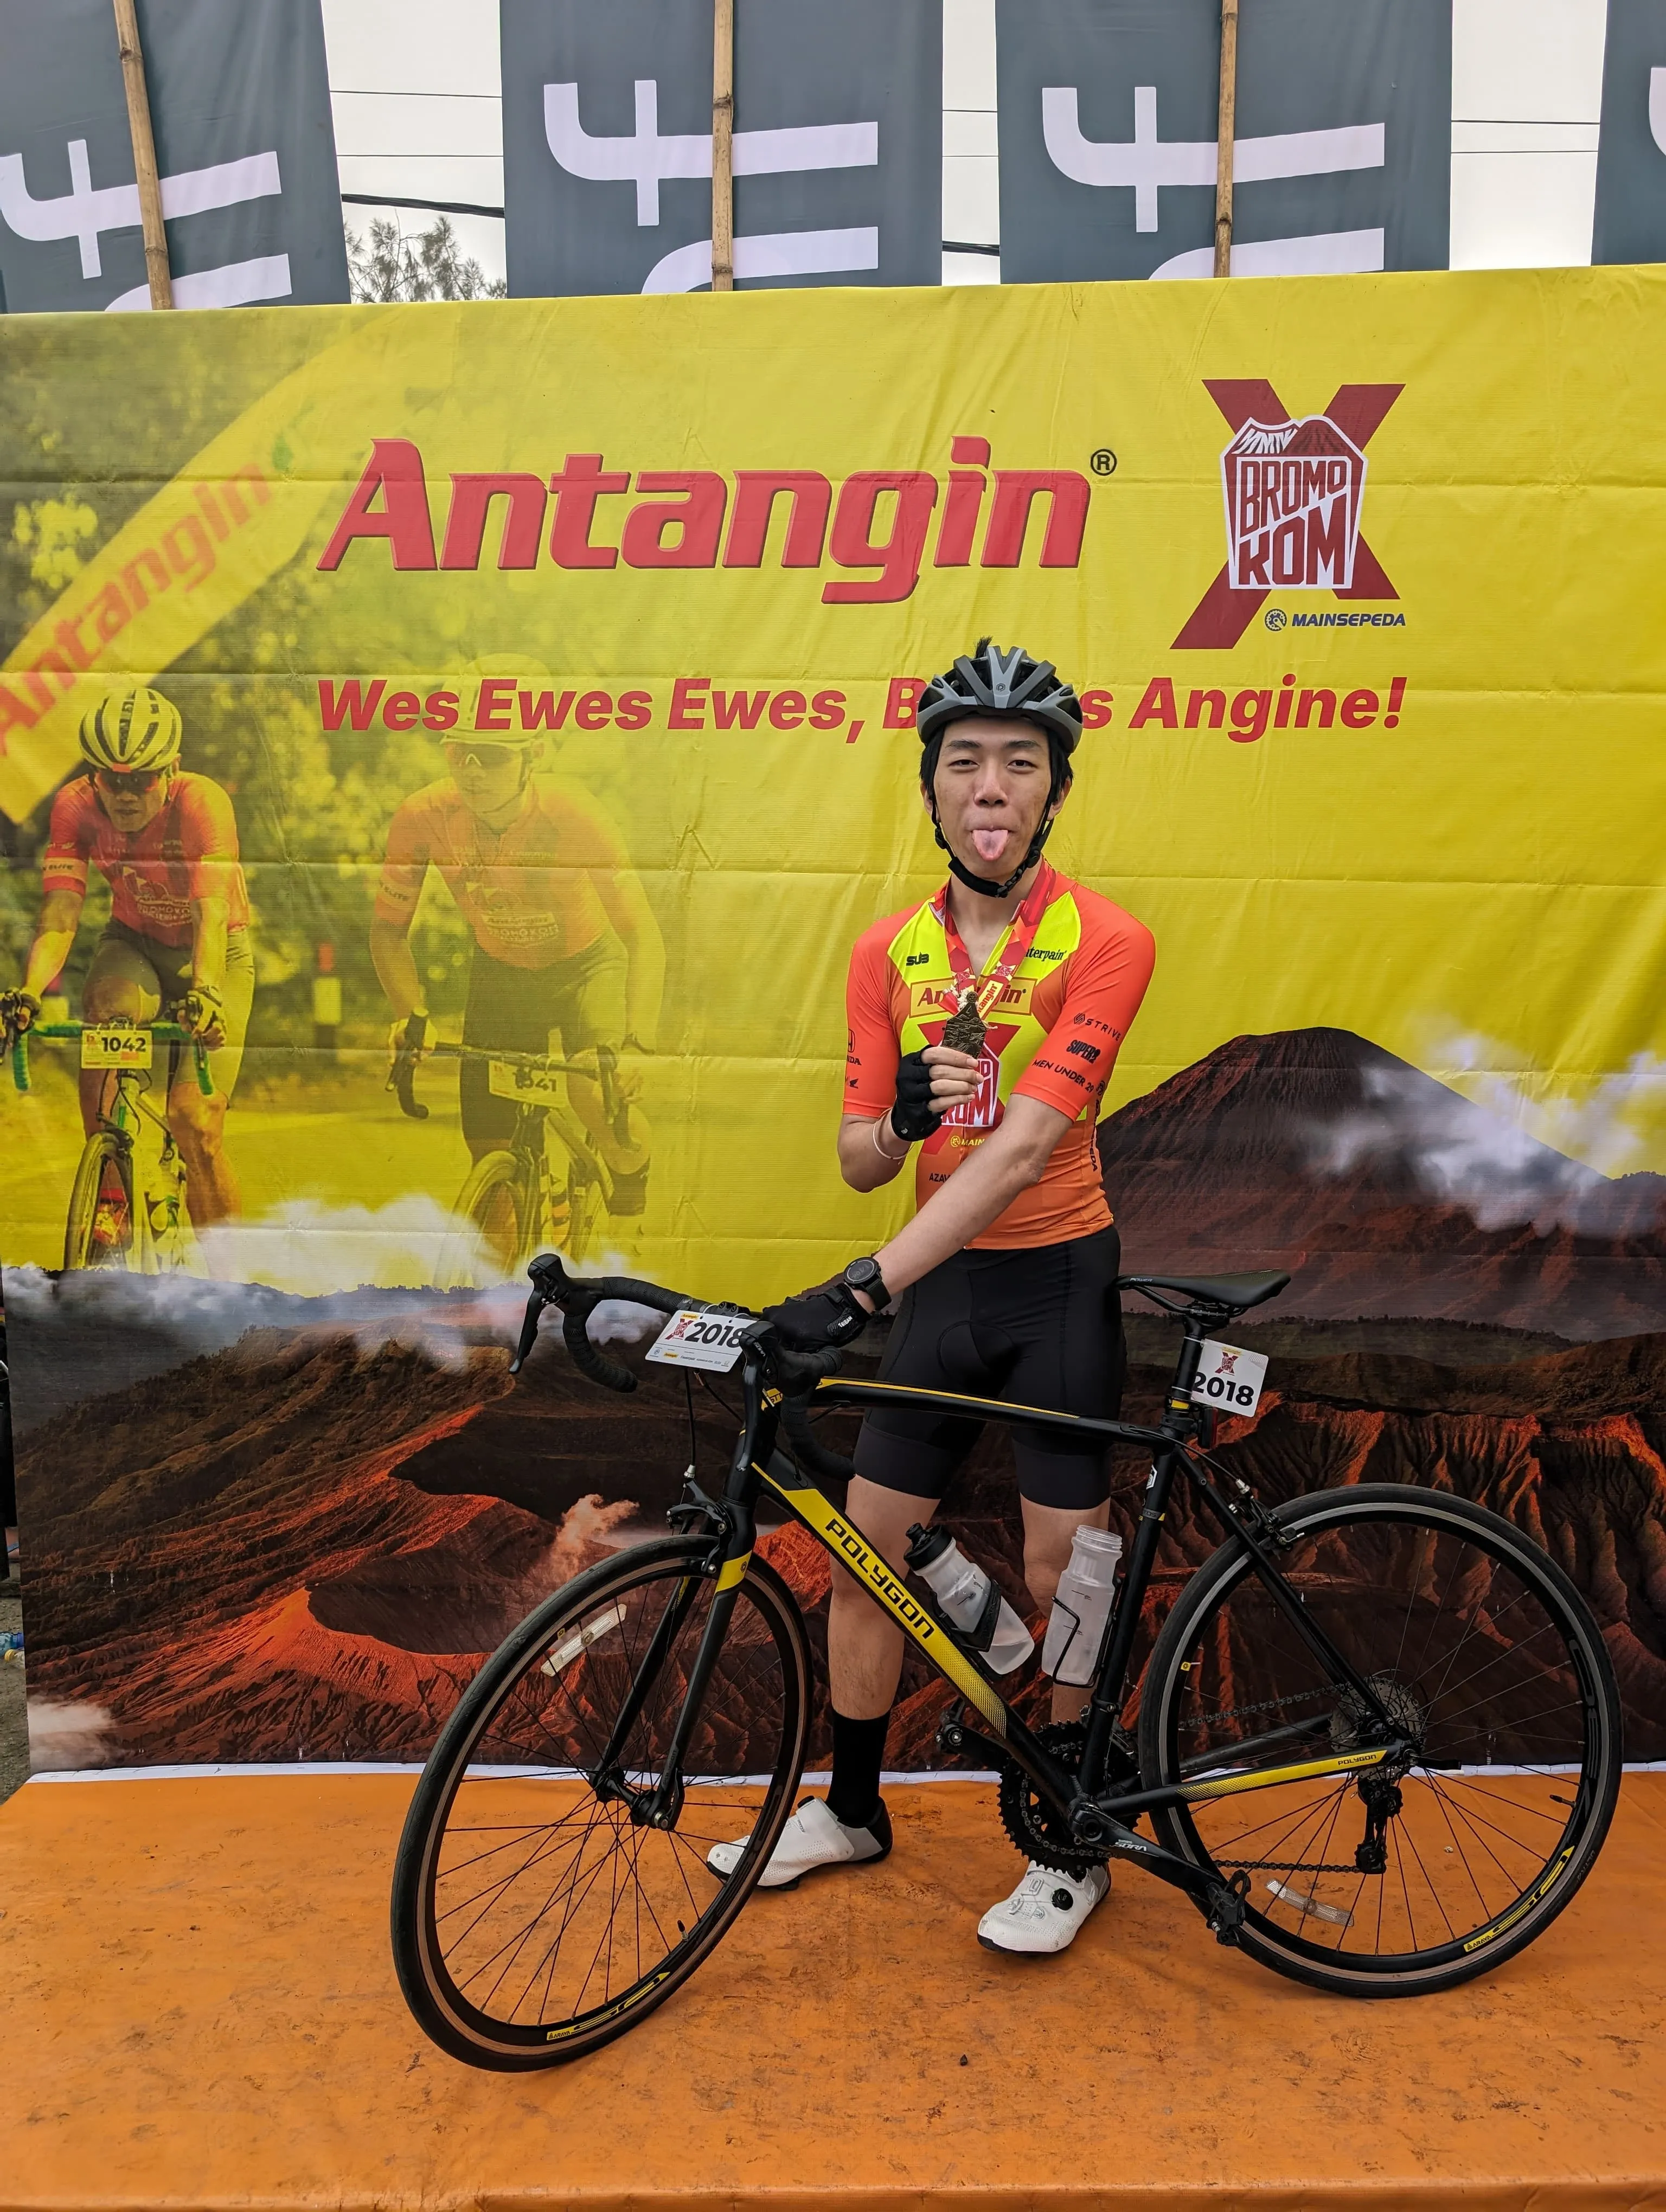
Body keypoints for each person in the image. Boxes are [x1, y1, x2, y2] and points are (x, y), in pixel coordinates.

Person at [711, 639, 1155, 1957]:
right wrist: (897, 1117)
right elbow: (856, 1160)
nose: (990, 782)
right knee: (866, 1544)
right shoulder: (884, 952)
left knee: (1058, 1570)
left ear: (1050, 794)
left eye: (1019, 763)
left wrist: (859, 1286)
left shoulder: (1104, 938)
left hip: (1056, 1277)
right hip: (941, 1287)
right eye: (964, 759)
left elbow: (1021, 1146)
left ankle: (1070, 1842)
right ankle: (850, 1809)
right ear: (929, 787)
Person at [370, 660, 664, 1242]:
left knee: (594, 1096)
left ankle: (629, 1179)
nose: (474, 772)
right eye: (461, 754)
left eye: (495, 755)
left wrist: (638, 1043)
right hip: (502, 973)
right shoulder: (423, 815)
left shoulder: (573, 813)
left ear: (535, 753)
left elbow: (641, 934)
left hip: (585, 966)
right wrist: (411, 1014)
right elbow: (386, 931)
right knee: (489, 1156)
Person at [0, 683, 253, 1251]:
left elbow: (210, 914)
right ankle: (111, 1196)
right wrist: (29, 990)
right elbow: (62, 913)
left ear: (172, 770)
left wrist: (207, 992)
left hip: (213, 953)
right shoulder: (75, 806)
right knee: (105, 1016)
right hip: (133, 941)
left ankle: (231, 1286)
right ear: (94, 776)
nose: (127, 794)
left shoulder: (202, 803)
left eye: (142, 779)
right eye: (113, 780)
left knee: (196, 1124)